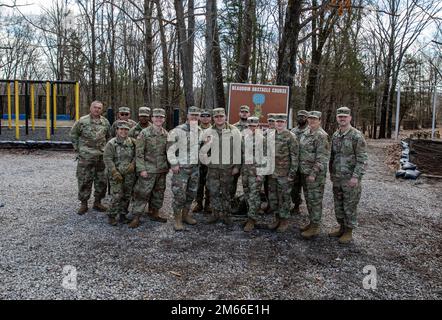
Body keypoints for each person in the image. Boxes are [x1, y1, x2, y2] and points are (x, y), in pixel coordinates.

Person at [329, 106, 368, 244]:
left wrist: (356, 177)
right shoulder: (335, 135)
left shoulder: (356, 136)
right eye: (340, 116)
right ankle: (341, 227)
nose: (342, 118)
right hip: (338, 178)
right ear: (337, 118)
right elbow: (332, 157)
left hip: (350, 179)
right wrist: (331, 174)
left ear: (350, 118)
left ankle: (349, 232)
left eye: (345, 116)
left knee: (349, 206)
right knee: (338, 205)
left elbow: (362, 159)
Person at [129, 108, 169, 228]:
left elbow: (168, 152)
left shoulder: (166, 134)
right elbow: (139, 153)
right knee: (142, 193)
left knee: (158, 193)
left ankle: (154, 213)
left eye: (161, 117)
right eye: (156, 117)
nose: (158, 119)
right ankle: (136, 217)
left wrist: (169, 167)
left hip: (161, 170)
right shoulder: (144, 133)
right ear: (152, 118)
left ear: (164, 119)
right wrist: (141, 169)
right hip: (148, 169)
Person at [201, 108, 241, 225]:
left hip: (227, 168)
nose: (219, 118)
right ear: (213, 118)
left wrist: (237, 167)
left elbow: (238, 150)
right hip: (213, 168)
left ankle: (227, 215)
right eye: (216, 117)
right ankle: (215, 214)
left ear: (225, 117)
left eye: (221, 116)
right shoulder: (208, 132)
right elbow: (203, 150)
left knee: (227, 192)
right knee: (213, 191)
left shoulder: (234, 131)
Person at [70, 100, 110, 215]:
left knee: (101, 181)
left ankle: (97, 202)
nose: (97, 109)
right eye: (95, 107)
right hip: (86, 157)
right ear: (90, 108)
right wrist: (78, 150)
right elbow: (73, 134)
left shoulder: (105, 122)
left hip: (101, 157)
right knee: (84, 180)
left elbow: (108, 137)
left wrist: (106, 151)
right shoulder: (82, 121)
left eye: (99, 108)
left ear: (102, 110)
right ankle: (84, 204)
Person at [168, 106, 203, 231]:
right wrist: (174, 164)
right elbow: (170, 149)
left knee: (191, 194)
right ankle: (177, 219)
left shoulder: (200, 131)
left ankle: (185, 215)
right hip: (181, 169)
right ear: (187, 116)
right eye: (192, 114)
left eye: (196, 115)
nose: (194, 117)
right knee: (179, 195)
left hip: (194, 169)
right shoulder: (177, 131)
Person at [299, 111, 330, 239]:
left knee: (315, 200)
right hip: (304, 172)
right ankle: (312, 222)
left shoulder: (321, 136)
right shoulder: (306, 133)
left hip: (314, 175)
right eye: (310, 119)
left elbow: (322, 158)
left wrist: (313, 173)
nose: (311, 121)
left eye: (314, 119)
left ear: (320, 121)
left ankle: (315, 227)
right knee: (309, 200)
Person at [266, 113, 299, 233]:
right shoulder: (270, 135)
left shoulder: (290, 136)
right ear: (274, 123)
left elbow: (295, 156)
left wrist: (292, 174)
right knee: (273, 197)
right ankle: (277, 218)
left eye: (282, 122)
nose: (279, 124)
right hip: (272, 173)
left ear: (285, 123)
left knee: (284, 198)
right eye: (277, 122)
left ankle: (284, 220)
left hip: (284, 174)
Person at [103, 120, 136, 226]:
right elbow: (107, 159)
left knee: (127, 195)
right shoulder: (112, 143)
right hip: (116, 174)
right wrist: (114, 172)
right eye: (121, 129)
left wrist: (133, 164)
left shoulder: (133, 142)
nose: (124, 131)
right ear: (117, 130)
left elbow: (138, 155)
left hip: (129, 174)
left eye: (126, 129)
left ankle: (123, 214)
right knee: (117, 195)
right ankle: (111, 215)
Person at [242, 117, 266, 232]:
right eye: (250, 126)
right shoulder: (244, 138)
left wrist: (261, 174)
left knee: (254, 196)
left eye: (254, 126)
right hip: (246, 172)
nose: (252, 128)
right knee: (247, 195)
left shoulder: (262, 139)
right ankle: (249, 216)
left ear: (258, 126)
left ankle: (252, 219)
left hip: (256, 173)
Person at [193, 109, 212, 214]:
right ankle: (198, 203)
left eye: (207, 116)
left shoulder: (214, 129)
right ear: (200, 118)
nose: (205, 118)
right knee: (198, 183)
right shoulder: (196, 129)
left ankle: (208, 204)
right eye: (203, 116)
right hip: (198, 161)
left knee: (209, 183)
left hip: (210, 161)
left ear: (210, 118)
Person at [231, 105, 251, 203]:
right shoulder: (233, 127)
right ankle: (230, 201)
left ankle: (247, 204)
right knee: (232, 181)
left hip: (248, 159)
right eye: (242, 111)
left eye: (246, 112)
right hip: (235, 158)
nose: (244, 113)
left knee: (247, 182)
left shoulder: (253, 126)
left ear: (249, 114)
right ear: (239, 113)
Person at [290, 110, 309, 215]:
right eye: (299, 117)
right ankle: (296, 205)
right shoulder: (293, 131)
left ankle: (311, 212)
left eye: (303, 117)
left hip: (306, 165)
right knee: (294, 188)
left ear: (307, 118)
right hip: (295, 165)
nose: (301, 118)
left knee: (308, 189)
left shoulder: (310, 130)